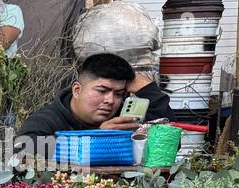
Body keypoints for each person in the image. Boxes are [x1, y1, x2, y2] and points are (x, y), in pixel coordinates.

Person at [17, 52, 173, 137]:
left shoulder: (122, 118)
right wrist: (98, 138)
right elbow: (24, 152)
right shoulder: (47, 121)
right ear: (77, 90)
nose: (110, 100)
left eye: (118, 94)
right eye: (102, 91)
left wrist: (149, 91)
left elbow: (169, 140)